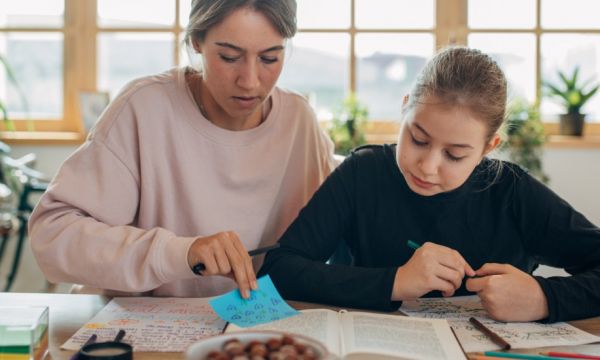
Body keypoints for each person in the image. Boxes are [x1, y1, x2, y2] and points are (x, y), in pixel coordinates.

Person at [259, 46, 600, 323]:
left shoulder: (512, 192)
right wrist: (396, 282)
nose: (428, 166)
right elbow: (280, 270)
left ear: (487, 148)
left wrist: (544, 299)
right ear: (405, 108)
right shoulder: (362, 173)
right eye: (418, 139)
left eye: (455, 155)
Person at [29, 0, 336, 299]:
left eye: (270, 59)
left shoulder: (299, 122)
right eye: (229, 57)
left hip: (252, 333)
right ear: (196, 41)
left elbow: (343, 225)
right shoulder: (144, 107)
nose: (249, 81)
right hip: (139, 330)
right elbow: (52, 236)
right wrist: (180, 252)